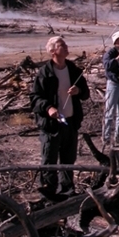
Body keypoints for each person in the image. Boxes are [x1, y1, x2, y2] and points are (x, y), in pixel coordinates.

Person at [31, 35, 89, 200]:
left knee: (68, 160)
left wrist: (79, 91)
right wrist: (48, 108)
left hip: (70, 123)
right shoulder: (44, 73)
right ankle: (48, 193)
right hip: (51, 125)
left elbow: (86, 93)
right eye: (62, 45)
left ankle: (67, 193)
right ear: (53, 51)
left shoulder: (73, 70)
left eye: (65, 44)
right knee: (49, 160)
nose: (66, 47)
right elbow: (35, 98)